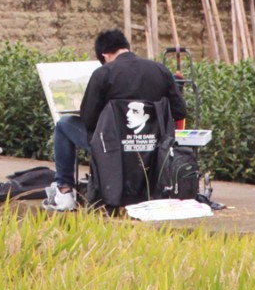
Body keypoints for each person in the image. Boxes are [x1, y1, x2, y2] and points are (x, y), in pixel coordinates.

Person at [43, 29, 187, 211]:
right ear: (126, 47)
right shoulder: (160, 70)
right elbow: (180, 111)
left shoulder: (104, 73)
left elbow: (88, 120)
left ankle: (64, 191)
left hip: (112, 148)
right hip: (153, 146)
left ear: (104, 54)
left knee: (64, 125)